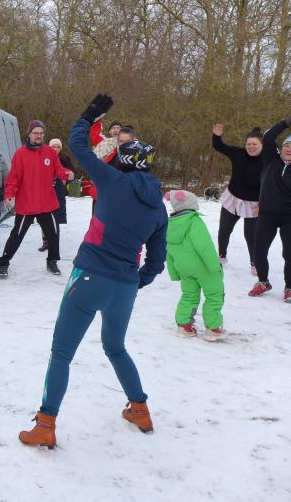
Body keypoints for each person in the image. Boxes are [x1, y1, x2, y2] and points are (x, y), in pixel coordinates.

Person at [19, 93, 167, 449]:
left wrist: (88, 116)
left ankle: (45, 424)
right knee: (115, 347)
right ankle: (140, 409)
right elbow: (156, 261)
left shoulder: (112, 180)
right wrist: (137, 282)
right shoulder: (159, 208)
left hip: (89, 276)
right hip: (124, 286)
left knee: (62, 353)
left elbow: (76, 146)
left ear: (123, 161)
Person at [0, 120, 70, 278]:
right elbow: (13, 178)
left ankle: (52, 261)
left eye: (41, 133)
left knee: (54, 234)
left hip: (47, 203)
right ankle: (3, 263)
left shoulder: (50, 152)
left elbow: (58, 169)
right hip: (27, 203)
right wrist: (9, 194)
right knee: (17, 235)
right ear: (29, 134)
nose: (39, 136)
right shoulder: (20, 154)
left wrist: (66, 174)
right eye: (36, 133)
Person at [164, 190, 226, 341]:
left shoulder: (170, 225)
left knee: (189, 295)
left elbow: (168, 250)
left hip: (184, 269)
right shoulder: (194, 221)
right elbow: (204, 246)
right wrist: (215, 266)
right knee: (214, 295)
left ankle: (184, 326)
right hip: (204, 267)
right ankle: (213, 329)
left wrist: (174, 272)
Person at [249, 115, 291, 301]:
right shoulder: (271, 160)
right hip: (267, 214)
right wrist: (285, 123)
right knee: (258, 251)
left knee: (289, 254)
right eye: (286, 145)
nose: (288, 149)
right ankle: (263, 281)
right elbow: (268, 137)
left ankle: (289, 287)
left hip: (289, 217)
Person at [211, 123, 263, 272]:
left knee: (251, 236)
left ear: (262, 145)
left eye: (254, 144)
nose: (251, 147)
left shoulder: (269, 160)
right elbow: (219, 146)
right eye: (248, 144)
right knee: (224, 230)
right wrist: (217, 136)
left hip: (254, 204)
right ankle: (221, 255)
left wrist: (263, 204)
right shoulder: (238, 153)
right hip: (233, 199)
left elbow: (271, 185)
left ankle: (254, 262)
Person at [38, 138, 75, 252]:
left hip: (58, 190)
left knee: (56, 217)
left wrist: (66, 177)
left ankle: (54, 241)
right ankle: (45, 241)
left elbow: (72, 173)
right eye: (53, 146)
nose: (56, 149)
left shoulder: (64, 158)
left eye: (58, 147)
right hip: (45, 190)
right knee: (44, 216)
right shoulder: (43, 156)